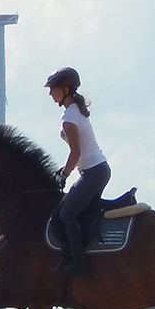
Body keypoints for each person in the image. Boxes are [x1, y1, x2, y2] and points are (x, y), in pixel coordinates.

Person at [47, 67, 108, 278]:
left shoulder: (70, 116)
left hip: (93, 172)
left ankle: (79, 264)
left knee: (67, 214)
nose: (50, 94)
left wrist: (64, 174)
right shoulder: (74, 112)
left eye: (53, 89)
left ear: (65, 89)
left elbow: (75, 152)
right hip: (93, 171)